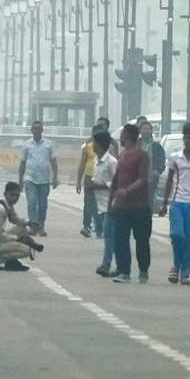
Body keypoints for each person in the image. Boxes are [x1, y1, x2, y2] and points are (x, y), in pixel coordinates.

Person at [159, 121, 190, 285]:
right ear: (183, 139)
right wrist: (165, 203)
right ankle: (176, 265)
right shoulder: (174, 158)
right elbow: (170, 181)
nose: (189, 141)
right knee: (177, 235)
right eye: (187, 138)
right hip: (177, 202)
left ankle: (185, 273)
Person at [108, 122, 153, 283]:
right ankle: (124, 271)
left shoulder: (142, 156)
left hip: (139, 206)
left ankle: (143, 270)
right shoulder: (122, 155)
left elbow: (143, 179)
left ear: (127, 137)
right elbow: (116, 179)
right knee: (120, 239)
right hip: (121, 206)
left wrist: (127, 190)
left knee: (141, 240)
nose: (120, 138)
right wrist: (112, 199)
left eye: (122, 136)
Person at [0, 181, 41, 271]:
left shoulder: (6, 204)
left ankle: (11, 262)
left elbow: (14, 219)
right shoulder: (0, 210)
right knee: (26, 250)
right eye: (11, 195)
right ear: (5, 194)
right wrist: (17, 239)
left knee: (22, 229)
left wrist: (29, 223)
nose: (14, 198)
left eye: (17, 196)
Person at [17, 121, 58, 236]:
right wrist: (20, 179)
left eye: (39, 128)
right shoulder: (26, 145)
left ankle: (41, 226)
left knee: (43, 204)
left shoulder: (49, 144)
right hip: (30, 179)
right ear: (31, 130)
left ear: (42, 130)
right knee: (32, 202)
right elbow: (22, 163)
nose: (37, 130)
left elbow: (54, 161)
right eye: (34, 128)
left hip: (45, 180)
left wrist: (55, 177)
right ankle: (33, 226)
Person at [89, 131, 121, 277]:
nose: (92, 145)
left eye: (94, 142)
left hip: (112, 203)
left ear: (101, 145)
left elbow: (117, 183)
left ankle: (106, 264)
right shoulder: (96, 160)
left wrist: (98, 186)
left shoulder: (112, 162)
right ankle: (120, 264)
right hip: (101, 204)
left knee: (109, 235)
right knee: (112, 236)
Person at [76, 118, 109, 236]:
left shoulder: (109, 146)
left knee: (100, 204)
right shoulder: (88, 146)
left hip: (103, 179)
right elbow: (82, 163)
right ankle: (87, 226)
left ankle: (100, 228)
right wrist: (78, 181)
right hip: (90, 178)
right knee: (89, 202)